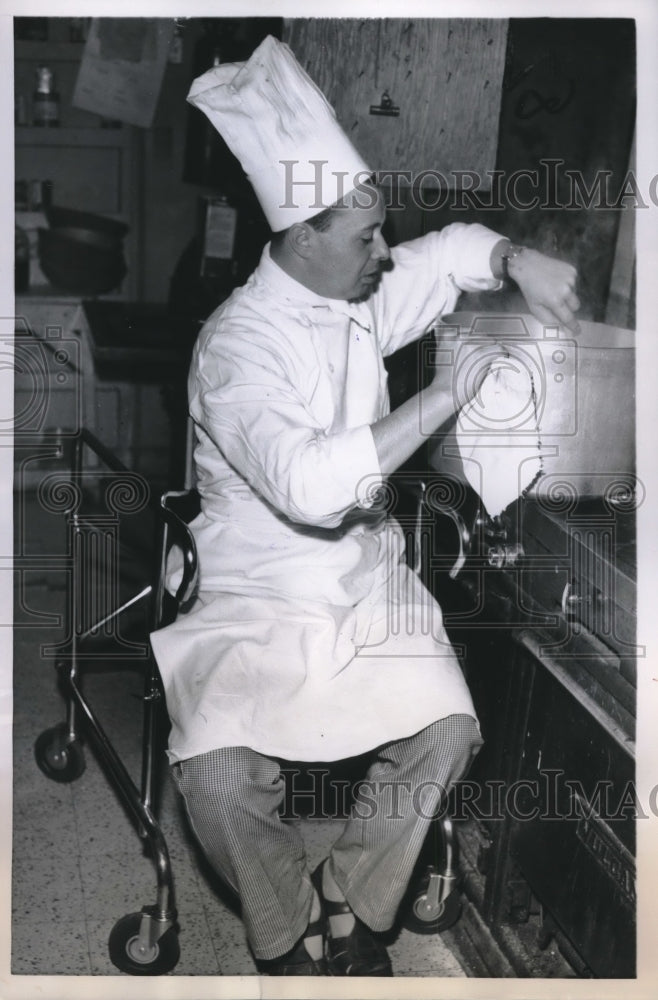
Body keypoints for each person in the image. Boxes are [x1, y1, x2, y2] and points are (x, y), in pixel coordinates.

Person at [150, 36, 579, 977]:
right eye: (365, 237)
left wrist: (515, 259)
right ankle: (286, 925)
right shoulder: (236, 349)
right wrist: (445, 394)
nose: (385, 253)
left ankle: (349, 891)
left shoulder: (356, 297)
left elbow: (450, 254)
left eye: (380, 231)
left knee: (448, 733)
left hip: (362, 581)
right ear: (300, 236)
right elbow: (307, 486)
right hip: (253, 593)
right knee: (218, 783)